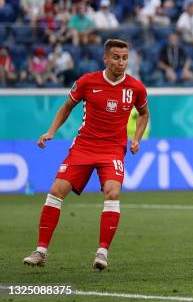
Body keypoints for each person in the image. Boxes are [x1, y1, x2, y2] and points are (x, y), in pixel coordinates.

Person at [23, 39, 149, 270]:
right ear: (106, 58)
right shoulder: (87, 81)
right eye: (116, 57)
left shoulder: (136, 88)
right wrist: (51, 131)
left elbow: (143, 114)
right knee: (56, 191)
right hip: (84, 146)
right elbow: (66, 107)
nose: (121, 62)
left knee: (113, 192)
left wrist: (136, 139)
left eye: (124, 58)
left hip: (112, 149)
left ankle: (102, 253)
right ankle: (40, 251)